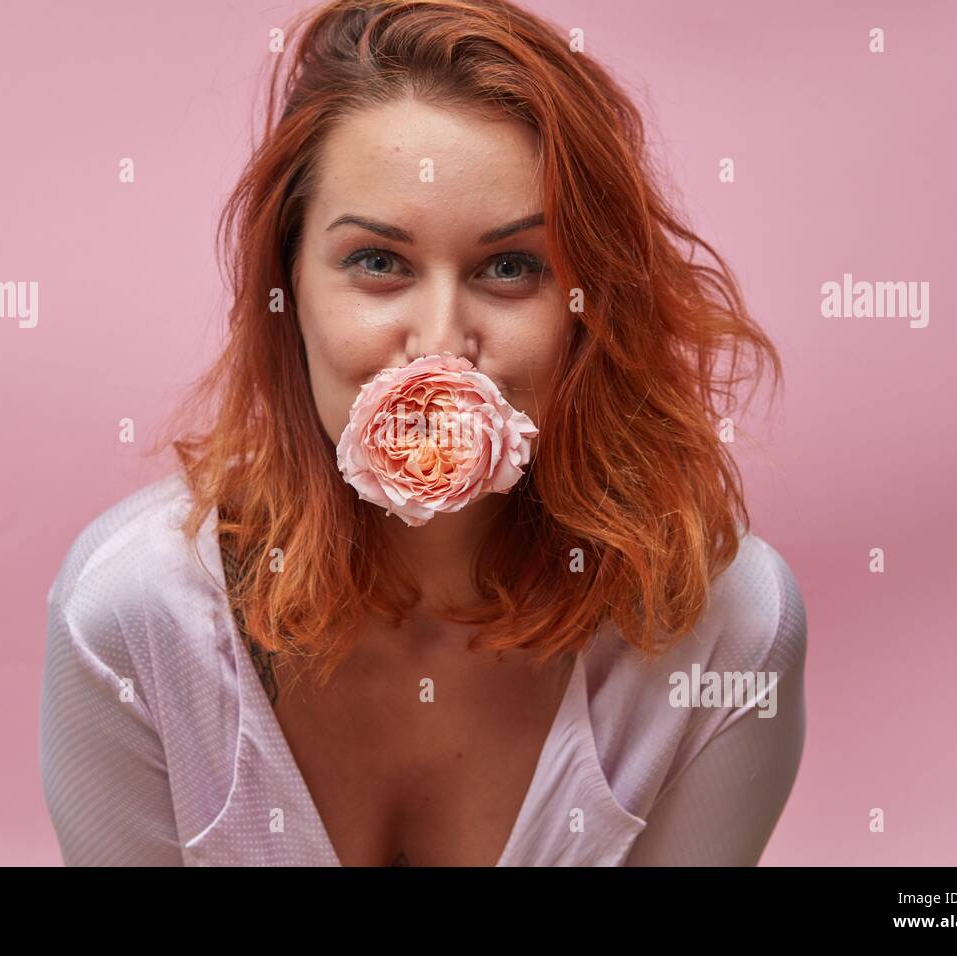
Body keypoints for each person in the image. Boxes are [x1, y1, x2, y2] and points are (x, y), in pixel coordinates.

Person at [39, 0, 807, 867]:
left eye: (511, 267)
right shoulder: (130, 614)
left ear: (590, 310)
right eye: (378, 262)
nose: (441, 341)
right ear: (286, 289)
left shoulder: (727, 624)